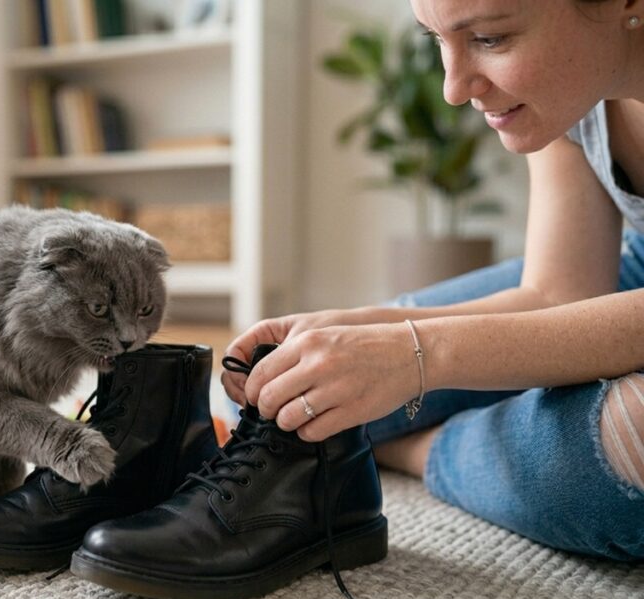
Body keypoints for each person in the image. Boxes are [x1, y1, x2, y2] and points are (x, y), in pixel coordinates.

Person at [222, 0, 644, 562]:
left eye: (490, 39)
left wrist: (418, 354)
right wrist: (352, 330)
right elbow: (558, 293)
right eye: (435, 40)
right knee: (261, 388)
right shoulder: (575, 94)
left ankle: (421, 451)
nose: (453, 88)